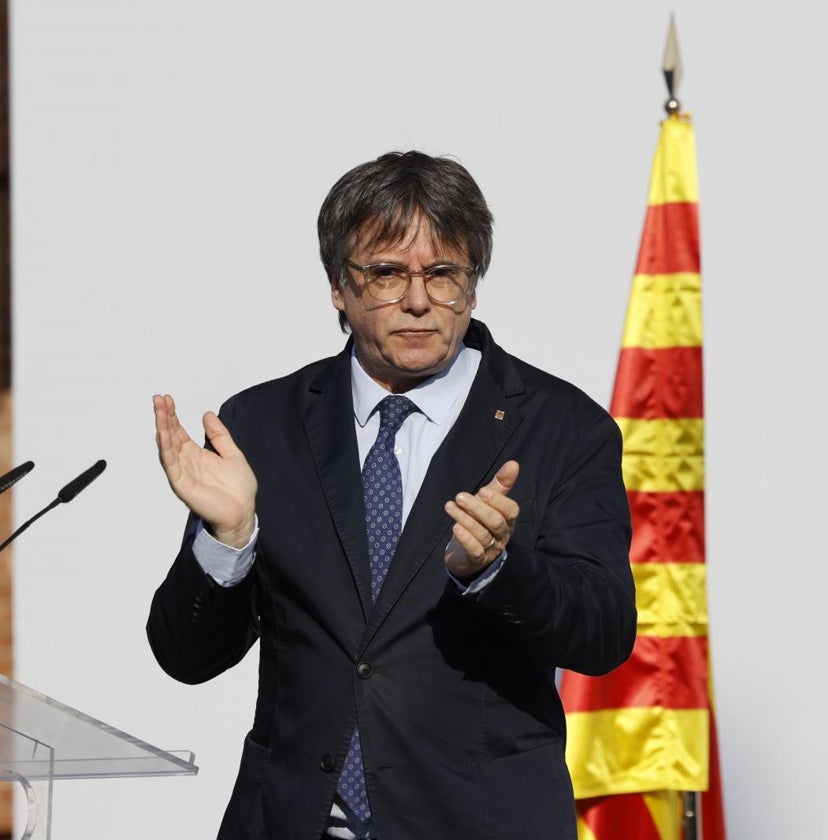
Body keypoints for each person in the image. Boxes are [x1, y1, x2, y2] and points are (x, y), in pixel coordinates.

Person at [147, 151, 636, 840]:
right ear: (338, 287)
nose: (416, 300)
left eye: (442, 274)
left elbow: (605, 633)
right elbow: (185, 656)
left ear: (472, 288)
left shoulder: (561, 426)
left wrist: (500, 569)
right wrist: (225, 542)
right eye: (386, 273)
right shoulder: (263, 424)